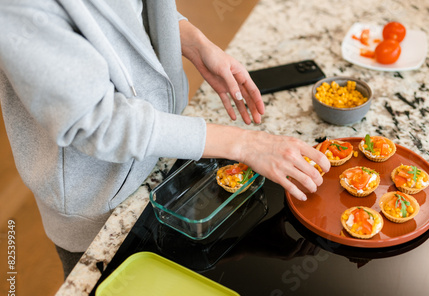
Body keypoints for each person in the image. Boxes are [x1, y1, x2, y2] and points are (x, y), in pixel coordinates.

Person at [0, 0, 330, 278]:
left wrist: (191, 40)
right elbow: (95, 123)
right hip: (101, 200)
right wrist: (244, 143)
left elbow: (128, 13)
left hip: (166, 149)